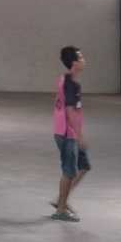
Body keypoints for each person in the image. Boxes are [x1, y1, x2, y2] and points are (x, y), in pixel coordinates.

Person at [51, 46, 89, 222]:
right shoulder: (70, 85)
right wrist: (79, 135)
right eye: (81, 58)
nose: (84, 60)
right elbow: (69, 111)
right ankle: (60, 210)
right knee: (69, 172)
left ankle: (60, 200)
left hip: (69, 132)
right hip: (67, 134)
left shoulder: (66, 80)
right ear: (74, 63)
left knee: (84, 166)